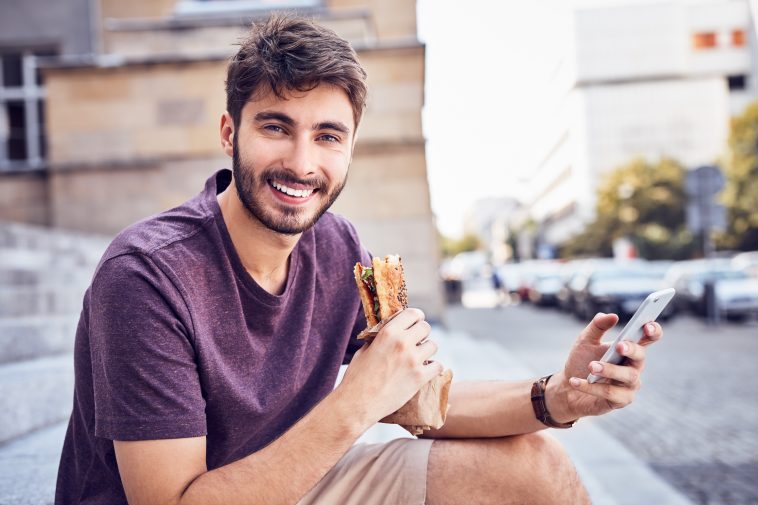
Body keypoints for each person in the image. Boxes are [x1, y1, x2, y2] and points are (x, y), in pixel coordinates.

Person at [55, 14, 663, 505]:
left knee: (534, 467)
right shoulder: (146, 276)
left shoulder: (339, 248)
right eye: (276, 127)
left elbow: (419, 401)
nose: (301, 163)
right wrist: (356, 401)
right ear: (228, 133)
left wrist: (559, 397)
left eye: (327, 136)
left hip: (299, 481)